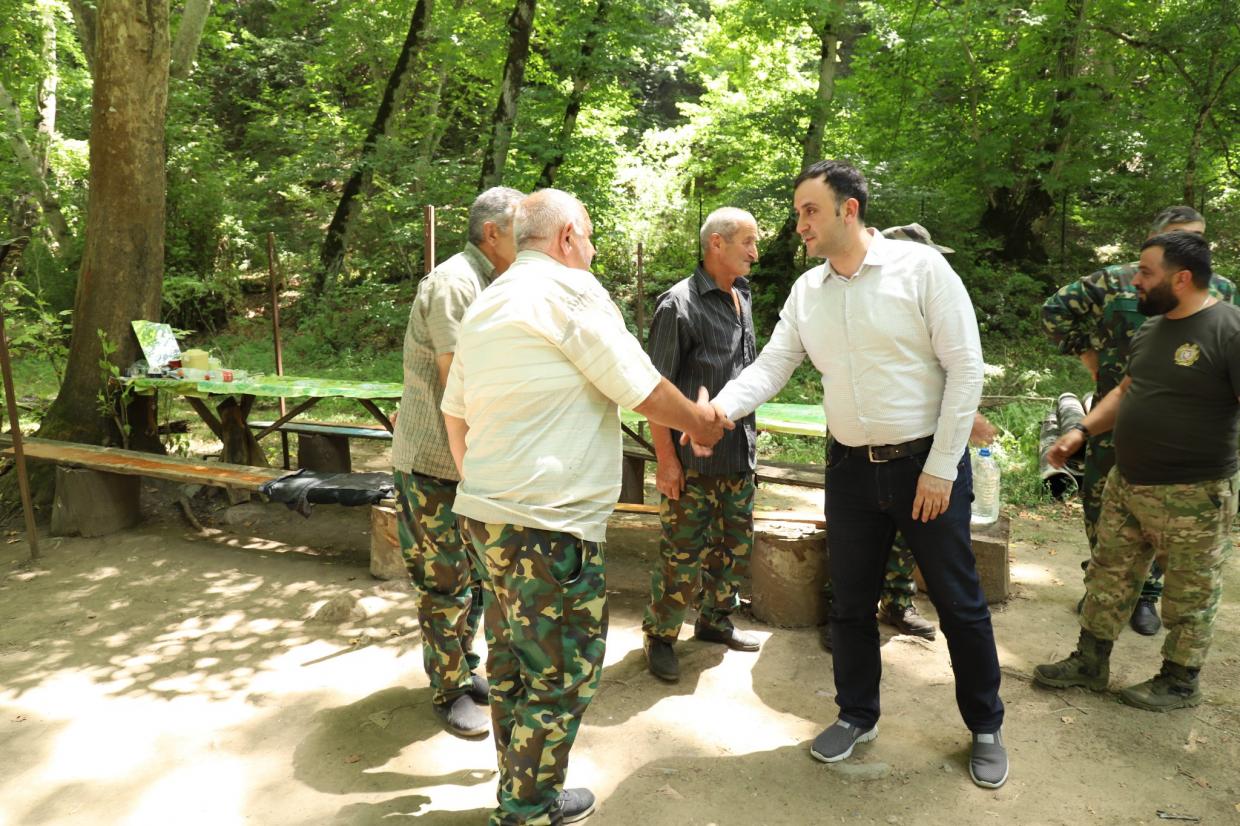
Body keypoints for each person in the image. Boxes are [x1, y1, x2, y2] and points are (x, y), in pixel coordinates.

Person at [701, 160, 1007, 789]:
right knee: (849, 602)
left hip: (925, 467)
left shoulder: (922, 271)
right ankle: (856, 714)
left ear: (849, 209)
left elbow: (965, 369)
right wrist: (718, 411)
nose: (799, 224)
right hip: (848, 469)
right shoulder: (808, 290)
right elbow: (773, 365)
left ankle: (985, 726)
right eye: (797, 212)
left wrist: (941, 468)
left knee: (959, 603)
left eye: (810, 210)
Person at [441, 188, 732, 825]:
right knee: (562, 675)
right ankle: (526, 810)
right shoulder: (570, 291)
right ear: (568, 235)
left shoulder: (490, 301)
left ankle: (524, 791)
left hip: (485, 517)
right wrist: (700, 424)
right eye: (591, 236)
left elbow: (453, 413)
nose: (594, 250)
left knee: (514, 664)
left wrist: (483, 486)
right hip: (548, 527)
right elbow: (640, 386)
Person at [1034, 231, 1239, 711]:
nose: (1136, 283)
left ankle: (1180, 681)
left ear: (1181, 279)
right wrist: (1081, 431)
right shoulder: (1150, 329)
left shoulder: (1229, 331)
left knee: (1190, 591)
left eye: (1146, 273)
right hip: (1127, 482)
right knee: (1108, 575)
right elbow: (1127, 391)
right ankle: (1090, 662)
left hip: (1194, 493)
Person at [389, 185, 522, 738]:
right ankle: (448, 689)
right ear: (492, 233)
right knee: (444, 581)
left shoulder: (497, 281)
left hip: (472, 461)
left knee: (475, 578)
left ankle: (465, 669)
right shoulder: (454, 283)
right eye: (520, 229)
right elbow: (457, 382)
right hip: (434, 463)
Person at [816, 223, 972, 652]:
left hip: (923, 446)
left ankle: (898, 601)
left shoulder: (934, 288)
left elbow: (950, 366)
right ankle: (844, 610)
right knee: (855, 548)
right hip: (861, 447)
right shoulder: (859, 295)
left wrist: (961, 423)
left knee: (911, 536)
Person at [642, 207, 762, 683]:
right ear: (717, 243)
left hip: (737, 456)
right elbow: (654, 393)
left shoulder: (743, 294)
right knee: (681, 556)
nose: (755, 252)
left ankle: (715, 620)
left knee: (731, 548)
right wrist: (666, 461)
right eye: (747, 242)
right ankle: (660, 636)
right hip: (691, 463)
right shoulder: (677, 305)